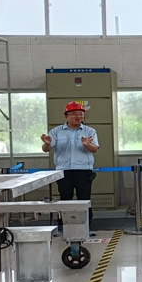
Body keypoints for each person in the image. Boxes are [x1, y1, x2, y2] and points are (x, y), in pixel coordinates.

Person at [41, 101, 99, 235]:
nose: (78, 116)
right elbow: (46, 149)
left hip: (83, 170)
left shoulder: (90, 131)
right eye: (74, 114)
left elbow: (95, 149)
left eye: (81, 114)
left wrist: (86, 145)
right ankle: (63, 226)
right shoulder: (56, 131)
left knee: (84, 199)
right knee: (65, 198)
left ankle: (87, 226)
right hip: (63, 170)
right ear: (66, 116)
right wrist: (47, 143)